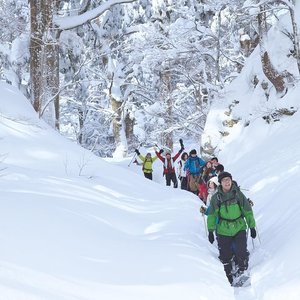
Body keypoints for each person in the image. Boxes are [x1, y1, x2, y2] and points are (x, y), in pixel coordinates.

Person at [207, 172, 256, 286]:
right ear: (220, 183)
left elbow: (247, 211)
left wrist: (252, 226)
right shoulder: (216, 198)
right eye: (224, 180)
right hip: (223, 229)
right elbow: (212, 215)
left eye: (228, 179)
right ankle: (228, 274)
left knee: (241, 251)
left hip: (239, 226)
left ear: (231, 180)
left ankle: (242, 271)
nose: (227, 182)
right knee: (225, 254)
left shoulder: (238, 194)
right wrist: (210, 230)